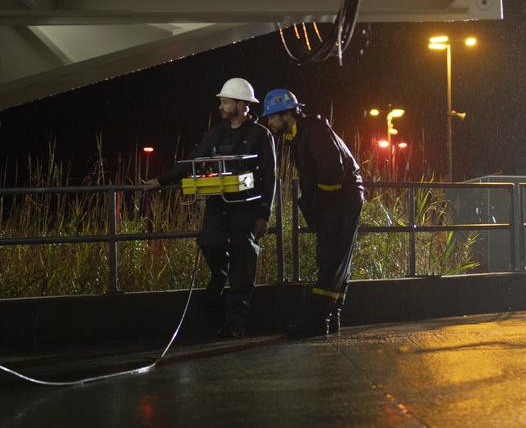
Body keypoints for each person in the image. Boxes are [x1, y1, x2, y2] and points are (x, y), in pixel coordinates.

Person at [145, 77, 276, 338]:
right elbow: (195, 158)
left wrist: (264, 214)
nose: (221, 106)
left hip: (246, 208)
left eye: (225, 102)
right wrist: (162, 180)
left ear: (240, 104)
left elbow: (271, 176)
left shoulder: (261, 135)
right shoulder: (217, 132)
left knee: (244, 264)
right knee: (209, 243)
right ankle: (219, 276)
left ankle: (235, 323)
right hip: (219, 204)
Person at [261, 88, 364, 337]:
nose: (269, 123)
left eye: (272, 117)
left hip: (341, 200)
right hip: (341, 200)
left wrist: (321, 206)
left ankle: (317, 321)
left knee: (330, 258)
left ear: (286, 114)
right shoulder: (302, 134)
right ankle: (331, 316)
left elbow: (331, 170)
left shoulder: (313, 131)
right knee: (335, 259)